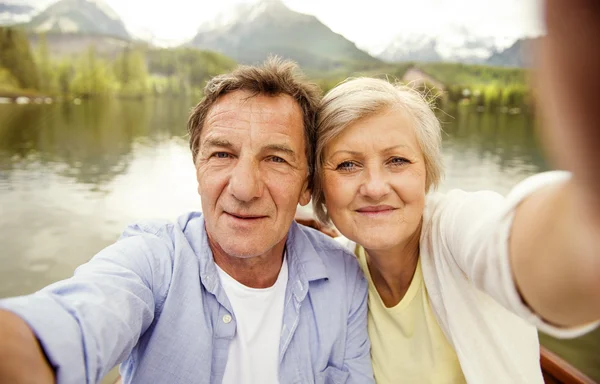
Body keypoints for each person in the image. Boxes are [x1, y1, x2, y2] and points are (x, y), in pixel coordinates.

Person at [0, 58, 374, 384]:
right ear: (198, 169)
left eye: (276, 158)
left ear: (307, 184)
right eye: (222, 154)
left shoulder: (343, 278)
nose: (244, 188)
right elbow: (73, 321)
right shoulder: (154, 259)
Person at [311, 1, 600, 382]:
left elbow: (525, 256)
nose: (376, 187)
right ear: (319, 185)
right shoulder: (339, 272)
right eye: (347, 164)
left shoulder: (454, 230)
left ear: (427, 173)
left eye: (397, 160)